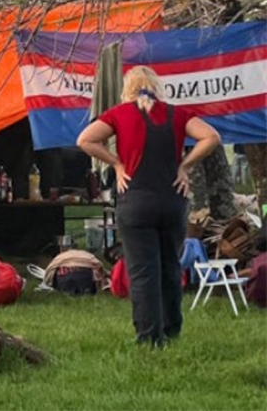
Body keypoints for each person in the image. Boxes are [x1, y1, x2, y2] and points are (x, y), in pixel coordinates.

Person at [77, 66, 220, 347]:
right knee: (170, 266)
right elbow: (211, 137)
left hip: (136, 202)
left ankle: (149, 338)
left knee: (143, 272)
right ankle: (171, 331)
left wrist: (117, 164)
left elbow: (84, 140)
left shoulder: (119, 114)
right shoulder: (176, 114)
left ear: (127, 89)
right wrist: (184, 166)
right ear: (157, 87)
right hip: (172, 201)